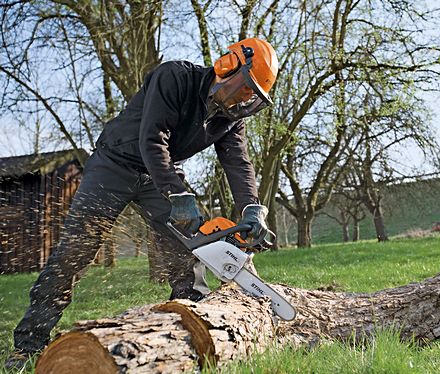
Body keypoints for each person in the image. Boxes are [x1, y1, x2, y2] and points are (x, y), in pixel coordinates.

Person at [5, 37, 278, 369]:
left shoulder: (230, 117)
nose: (243, 99)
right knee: (75, 251)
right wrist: (177, 193)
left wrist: (252, 207)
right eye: (244, 88)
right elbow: (153, 138)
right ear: (228, 65)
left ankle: (188, 330)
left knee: (188, 249)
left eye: (252, 97)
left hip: (160, 176)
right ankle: (28, 344)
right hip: (114, 164)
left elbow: (238, 162)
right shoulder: (175, 77)